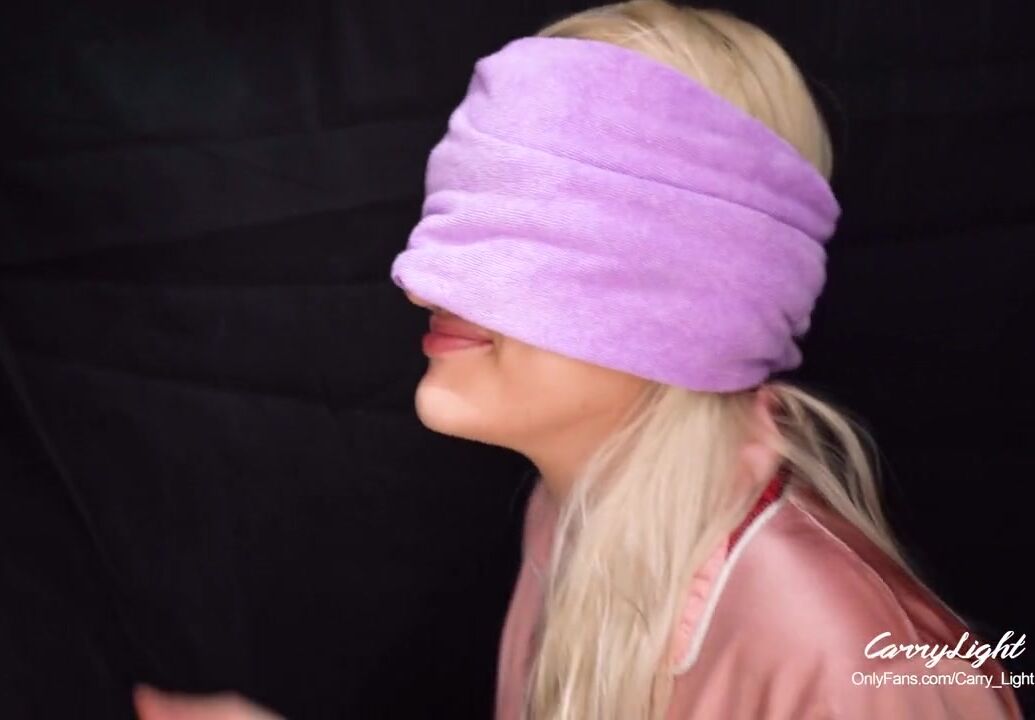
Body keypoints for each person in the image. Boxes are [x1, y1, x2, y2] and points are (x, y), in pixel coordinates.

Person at [134, 1, 1025, 718]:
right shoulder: (579, 513)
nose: (418, 279)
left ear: (692, 288)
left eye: (527, 230)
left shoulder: (834, 661)